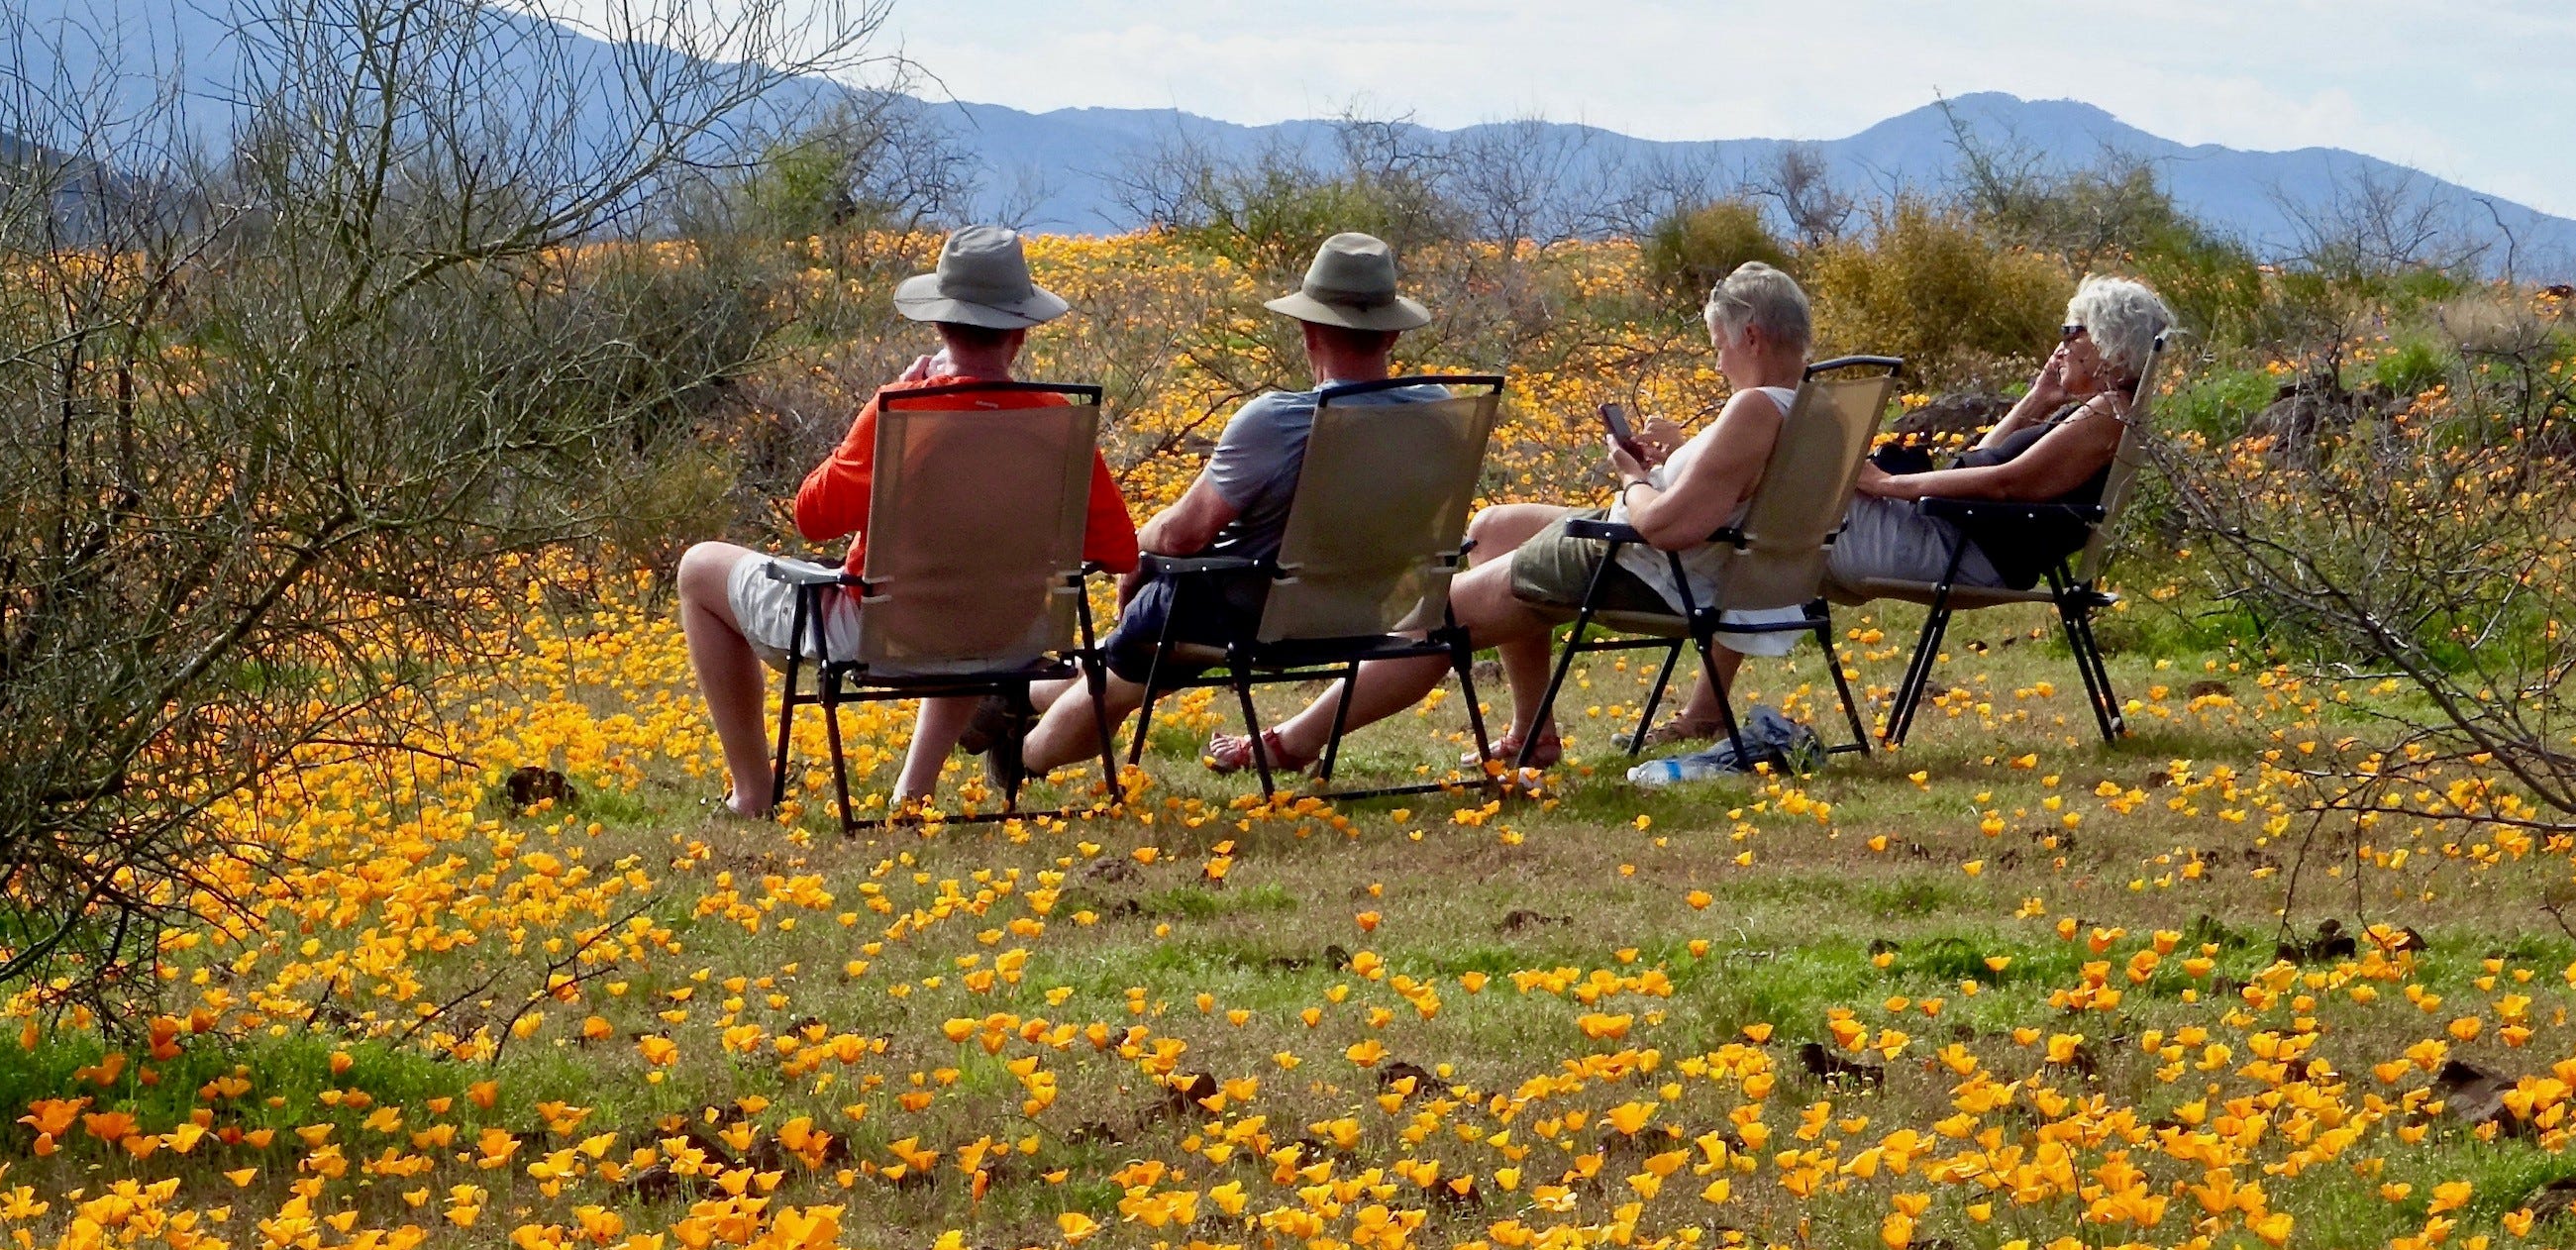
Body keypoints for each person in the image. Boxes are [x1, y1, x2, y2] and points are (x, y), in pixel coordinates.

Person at [1207, 260, 1818, 775]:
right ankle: (1534, 731)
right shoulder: (1815, 409)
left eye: (1718, 347)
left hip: (1648, 564)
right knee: (1498, 526)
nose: (1717, 364)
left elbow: (1666, 528)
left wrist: (1631, 477)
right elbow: (1733, 491)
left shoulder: (1753, 408)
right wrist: (1681, 455)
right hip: (1709, 562)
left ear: (1752, 339)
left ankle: (1292, 741)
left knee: (1432, 617)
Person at [676, 227, 1138, 816]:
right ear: (1020, 333)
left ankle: (751, 791)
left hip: (883, 634)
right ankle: (913, 793)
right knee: (976, 591)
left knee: (698, 568)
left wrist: (897, 398)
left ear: (939, 325)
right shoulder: (1058, 423)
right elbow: (1120, 551)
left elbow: (813, 516)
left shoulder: (906, 408)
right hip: (1005, 633)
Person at [1016, 234, 1435, 781]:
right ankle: (1019, 691)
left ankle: (1021, 755)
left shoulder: (1276, 421)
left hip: (1245, 613)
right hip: (1373, 609)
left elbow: (1183, 536)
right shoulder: (1436, 410)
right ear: (1394, 333)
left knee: (1119, 674)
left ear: (1308, 330)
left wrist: (1135, 552)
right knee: (1130, 650)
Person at [1826, 274, 2174, 593]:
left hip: (1957, 549)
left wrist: (1884, 484)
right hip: (1952, 537)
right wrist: (2038, 398)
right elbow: (1984, 458)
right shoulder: (2105, 412)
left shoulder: (2110, 413)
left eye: (2073, 330)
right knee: (1800, 507)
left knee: (1801, 501)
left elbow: (2006, 483)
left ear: (2112, 345)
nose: (2062, 343)